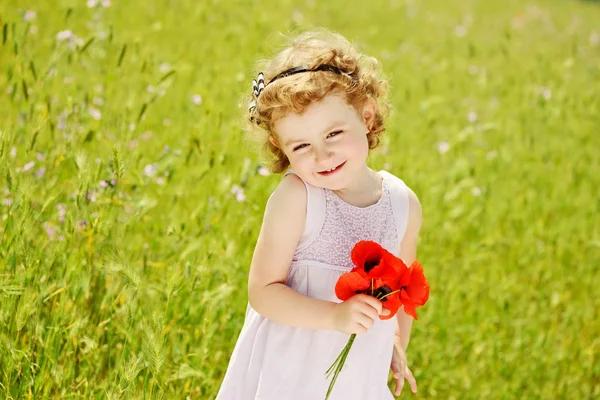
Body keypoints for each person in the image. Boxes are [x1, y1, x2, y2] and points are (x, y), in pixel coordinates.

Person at [215, 29, 423, 400]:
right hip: (291, 374)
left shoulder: (402, 204)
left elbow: (400, 292)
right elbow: (263, 291)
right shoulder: (298, 198)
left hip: (358, 377)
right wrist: (334, 316)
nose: (321, 156)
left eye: (333, 134)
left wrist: (394, 342)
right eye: (301, 145)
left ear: (367, 115)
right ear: (280, 145)